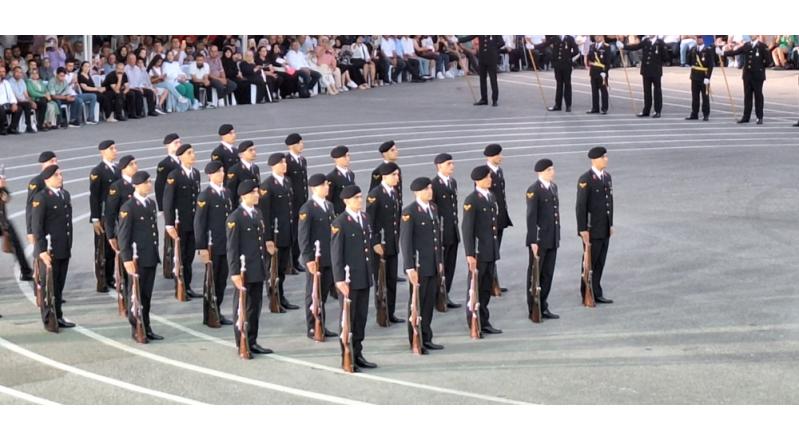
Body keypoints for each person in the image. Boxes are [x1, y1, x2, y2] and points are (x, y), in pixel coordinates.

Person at [331, 185, 378, 371]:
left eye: (360, 197)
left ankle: (358, 353)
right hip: (348, 280)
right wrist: (339, 279)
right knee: (348, 320)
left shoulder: (365, 218)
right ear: (346, 201)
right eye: (356, 197)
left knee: (361, 318)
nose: (360, 200)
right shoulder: (340, 223)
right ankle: (347, 356)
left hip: (364, 276)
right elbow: (336, 254)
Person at [227, 180, 273, 357]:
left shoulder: (257, 213)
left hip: (257, 268)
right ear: (244, 196)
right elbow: (232, 248)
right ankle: (242, 342)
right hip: (244, 271)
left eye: (257, 191)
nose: (257, 195)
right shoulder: (235, 218)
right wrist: (235, 273)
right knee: (242, 307)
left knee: (255, 307)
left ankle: (252, 340)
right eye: (254, 192)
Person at [400, 177, 445, 353]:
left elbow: (436, 238)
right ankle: (415, 338)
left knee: (428, 303)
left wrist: (439, 260)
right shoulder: (409, 212)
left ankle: (427, 336)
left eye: (430, 188)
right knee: (416, 303)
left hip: (432, 264)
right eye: (426, 189)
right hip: (419, 266)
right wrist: (409, 267)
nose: (430, 191)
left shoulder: (433, 208)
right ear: (417, 192)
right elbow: (406, 242)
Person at [118, 171, 163, 342]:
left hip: (149, 255)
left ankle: (147, 326)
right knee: (135, 295)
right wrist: (127, 259)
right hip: (136, 259)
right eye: (146, 183)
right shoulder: (128, 207)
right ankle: (136, 327)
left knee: (146, 295)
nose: (149, 185)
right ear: (137, 185)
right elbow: (123, 236)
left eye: (149, 182)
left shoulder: (151, 204)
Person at [31, 165, 76, 331]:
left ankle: (58, 315)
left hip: (63, 247)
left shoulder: (65, 195)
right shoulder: (41, 198)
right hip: (48, 251)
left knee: (59, 285)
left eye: (60, 174)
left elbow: (67, 223)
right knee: (49, 286)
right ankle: (48, 318)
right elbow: (37, 227)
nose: (60, 177)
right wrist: (42, 251)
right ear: (47, 179)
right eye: (56, 175)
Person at [462, 165, 502, 335]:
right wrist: (470, 254)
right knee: (475, 288)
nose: (490, 180)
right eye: (487, 177)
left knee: (485, 288)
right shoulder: (472, 200)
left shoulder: (490, 197)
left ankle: (484, 320)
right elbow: (467, 229)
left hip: (490, 250)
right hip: (478, 253)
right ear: (479, 180)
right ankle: (473, 320)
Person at [298, 174, 339, 340]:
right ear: (314, 188)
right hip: (316, 258)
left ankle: (321, 323)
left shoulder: (329, 206)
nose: (327, 188)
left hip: (329, 257)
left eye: (327, 185)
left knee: (323, 294)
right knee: (313, 293)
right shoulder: (307, 209)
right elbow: (303, 237)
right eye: (323, 186)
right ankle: (312, 326)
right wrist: (308, 259)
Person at [258, 153, 300, 312]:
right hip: (274, 236)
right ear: (273, 165)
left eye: (285, 162)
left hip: (285, 233)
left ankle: (281, 297)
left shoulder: (287, 182)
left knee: (281, 269)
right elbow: (265, 214)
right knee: (272, 270)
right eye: (281, 162)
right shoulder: (267, 186)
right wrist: (268, 239)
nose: (285, 164)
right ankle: (274, 299)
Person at [194, 161, 235, 327]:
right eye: (218, 172)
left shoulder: (226, 192)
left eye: (222, 171)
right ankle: (209, 314)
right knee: (211, 280)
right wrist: (201, 247)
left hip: (225, 243)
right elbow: (199, 223)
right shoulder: (205, 196)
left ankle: (217, 310)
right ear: (210, 175)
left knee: (222, 280)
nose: (221, 174)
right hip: (212, 245)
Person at [162, 143, 203, 299]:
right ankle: (180, 287)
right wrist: (169, 223)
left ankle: (188, 286)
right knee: (180, 257)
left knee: (189, 256)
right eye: (189, 153)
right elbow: (168, 201)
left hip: (192, 223)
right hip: (180, 223)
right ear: (181, 156)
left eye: (193, 152)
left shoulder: (196, 173)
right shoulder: (174, 175)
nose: (193, 155)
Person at [366, 162, 403, 324]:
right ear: (385, 176)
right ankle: (382, 312)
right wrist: (374, 242)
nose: (397, 178)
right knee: (381, 281)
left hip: (392, 243)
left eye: (397, 174)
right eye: (394, 175)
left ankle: (391, 312)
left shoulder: (393, 193)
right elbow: (370, 221)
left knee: (391, 280)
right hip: (380, 245)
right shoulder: (375, 194)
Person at [576, 147, 614, 305]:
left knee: (600, 262)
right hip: (592, 229)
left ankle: (596, 291)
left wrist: (610, 224)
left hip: (604, 227)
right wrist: (582, 229)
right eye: (603, 157)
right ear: (595, 159)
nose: (606, 159)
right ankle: (586, 292)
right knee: (589, 263)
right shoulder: (586, 179)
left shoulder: (607, 177)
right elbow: (580, 206)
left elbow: (609, 203)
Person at [526, 159, 561, 320]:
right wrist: (533, 240)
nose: (552, 172)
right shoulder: (534, 190)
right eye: (549, 170)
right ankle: (533, 307)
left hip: (552, 237)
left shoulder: (553, 187)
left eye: (552, 169)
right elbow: (531, 217)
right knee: (535, 274)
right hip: (539, 240)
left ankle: (543, 304)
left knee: (548, 273)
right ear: (540, 172)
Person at [89, 140, 121, 293]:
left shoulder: (118, 169)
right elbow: (94, 196)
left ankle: (111, 277)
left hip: (116, 215)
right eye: (111, 149)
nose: (115, 151)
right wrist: (95, 218)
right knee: (102, 250)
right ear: (102, 152)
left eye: (114, 148)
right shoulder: (98, 171)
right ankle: (102, 280)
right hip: (103, 215)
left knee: (114, 248)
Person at [430, 153, 461, 309]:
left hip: (452, 231)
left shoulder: (452, 182)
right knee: (440, 267)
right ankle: (437, 297)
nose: (452, 166)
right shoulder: (433, 185)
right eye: (449, 164)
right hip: (441, 233)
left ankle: (445, 294)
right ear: (439, 166)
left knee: (450, 266)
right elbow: (433, 211)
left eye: (452, 163)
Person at [722, 35, 770, 124]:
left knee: (758, 96)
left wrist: (759, 67)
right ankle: (746, 117)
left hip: (757, 75)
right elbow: (736, 52)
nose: (752, 35)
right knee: (747, 96)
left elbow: (768, 61)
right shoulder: (746, 45)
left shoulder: (762, 46)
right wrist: (722, 53)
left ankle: (759, 117)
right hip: (747, 75)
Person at [484, 144, 511, 295]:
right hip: (491, 220)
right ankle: (490, 283)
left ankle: (494, 282)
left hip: (500, 217)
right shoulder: (485, 173)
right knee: (490, 252)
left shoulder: (498, 171)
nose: (501, 157)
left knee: (495, 251)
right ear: (490, 156)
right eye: (498, 155)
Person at [619, 35, 668, 118]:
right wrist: (624, 46)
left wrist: (659, 61)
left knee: (657, 91)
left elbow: (665, 56)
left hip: (656, 70)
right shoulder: (646, 41)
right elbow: (636, 46)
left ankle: (657, 110)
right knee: (647, 91)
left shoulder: (660, 43)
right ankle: (646, 110)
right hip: (646, 70)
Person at [0, 172, 34, 282]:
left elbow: (7, 199)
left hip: (3, 221)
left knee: (17, 244)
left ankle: (26, 272)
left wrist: (3, 188)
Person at [535, 35, 580, 112]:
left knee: (567, 84)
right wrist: (534, 47)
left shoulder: (570, 38)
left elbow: (576, 51)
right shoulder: (555, 38)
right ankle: (557, 105)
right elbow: (545, 44)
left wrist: (568, 57)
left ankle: (568, 105)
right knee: (559, 84)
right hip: (557, 65)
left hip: (567, 65)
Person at [458, 36, 504, 106]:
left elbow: (501, 43)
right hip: (482, 57)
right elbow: (470, 37)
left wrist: (493, 48)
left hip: (491, 57)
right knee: (482, 78)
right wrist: (458, 40)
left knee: (493, 78)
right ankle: (484, 99)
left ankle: (494, 99)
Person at [285, 133, 308, 273]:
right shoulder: (286, 161)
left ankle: (296, 259)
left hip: (302, 202)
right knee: (292, 233)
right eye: (300, 143)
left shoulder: (302, 160)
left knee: (300, 232)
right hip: (292, 203)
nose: (302, 145)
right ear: (292, 145)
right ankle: (290, 263)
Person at [686, 36, 715, 122]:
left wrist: (708, 77)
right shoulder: (693, 49)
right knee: (695, 96)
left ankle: (706, 114)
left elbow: (711, 65)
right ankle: (694, 113)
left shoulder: (708, 50)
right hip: (694, 76)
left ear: (703, 39)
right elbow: (689, 60)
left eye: (700, 38)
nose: (698, 40)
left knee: (705, 97)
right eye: (697, 38)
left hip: (704, 76)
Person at [224, 140, 260, 207]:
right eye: (250, 150)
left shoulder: (255, 168)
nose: (254, 152)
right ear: (241, 154)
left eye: (254, 149)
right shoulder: (234, 170)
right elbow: (231, 192)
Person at [369, 140, 403, 209]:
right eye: (392, 150)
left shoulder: (397, 168)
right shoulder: (378, 171)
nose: (396, 152)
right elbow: (372, 193)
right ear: (385, 154)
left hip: (396, 206)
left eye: (396, 149)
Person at [326, 145, 355, 215]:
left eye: (348, 155)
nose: (348, 158)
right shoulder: (331, 177)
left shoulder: (351, 174)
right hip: (339, 214)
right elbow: (328, 200)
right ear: (336, 159)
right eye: (345, 156)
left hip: (351, 211)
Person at [586, 36, 611, 114]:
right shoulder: (592, 46)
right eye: (596, 36)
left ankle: (604, 108)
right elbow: (589, 58)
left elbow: (608, 61)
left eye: (599, 36)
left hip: (602, 72)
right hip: (593, 71)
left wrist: (605, 71)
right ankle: (595, 108)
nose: (597, 37)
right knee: (594, 91)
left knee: (603, 91)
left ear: (602, 37)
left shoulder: (606, 47)